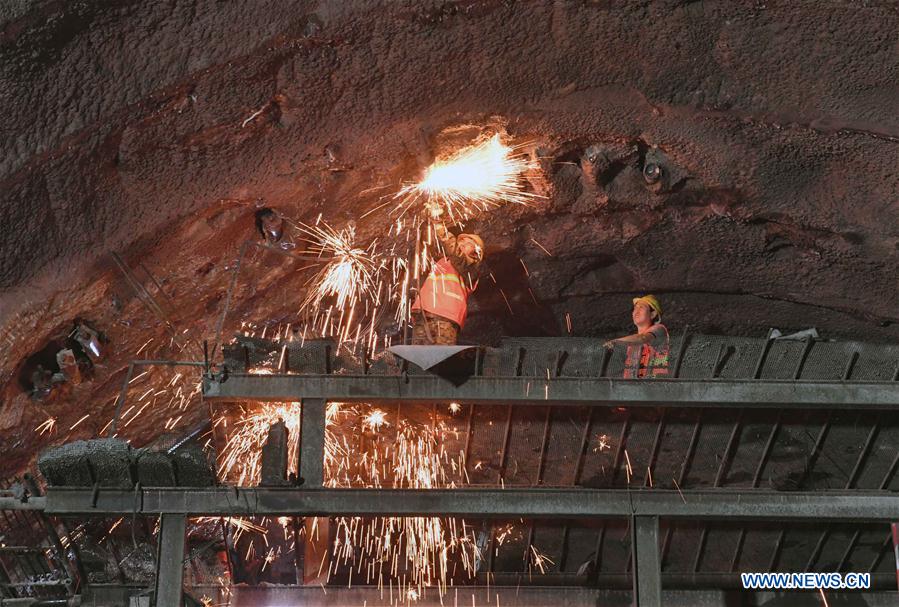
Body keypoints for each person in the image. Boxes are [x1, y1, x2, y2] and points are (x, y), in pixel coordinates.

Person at [410, 204, 484, 345]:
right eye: (461, 240)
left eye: (468, 243)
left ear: (476, 252)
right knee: (420, 359)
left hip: (446, 317)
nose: (462, 243)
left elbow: (453, 251)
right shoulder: (443, 261)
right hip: (424, 313)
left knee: (441, 358)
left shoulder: (471, 267)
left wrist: (438, 222)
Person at [603, 295, 669, 378]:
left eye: (641, 307)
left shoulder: (659, 329)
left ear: (653, 314)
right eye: (635, 308)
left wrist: (615, 342)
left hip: (655, 385)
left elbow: (642, 338)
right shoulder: (632, 342)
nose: (636, 311)